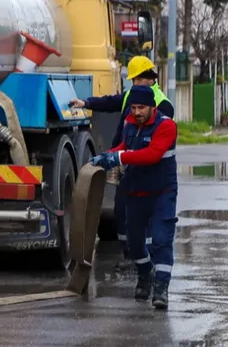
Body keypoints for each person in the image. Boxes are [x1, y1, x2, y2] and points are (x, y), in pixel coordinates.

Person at [69, 55, 173, 258]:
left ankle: (147, 258)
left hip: (146, 167)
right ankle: (130, 253)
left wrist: (121, 156)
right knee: (121, 209)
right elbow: (111, 102)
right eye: (132, 80)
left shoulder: (162, 104)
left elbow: (154, 149)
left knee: (145, 215)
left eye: (138, 79)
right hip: (126, 161)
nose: (134, 84)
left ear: (151, 78)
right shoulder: (131, 97)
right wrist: (86, 102)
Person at [90, 85, 178, 310]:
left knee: (161, 240)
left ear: (152, 107)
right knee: (134, 243)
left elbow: (152, 154)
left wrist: (118, 157)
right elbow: (124, 146)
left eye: (141, 108)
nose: (136, 112)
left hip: (161, 193)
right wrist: (108, 156)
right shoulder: (130, 123)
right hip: (135, 191)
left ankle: (161, 288)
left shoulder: (166, 126)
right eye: (134, 107)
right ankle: (145, 274)